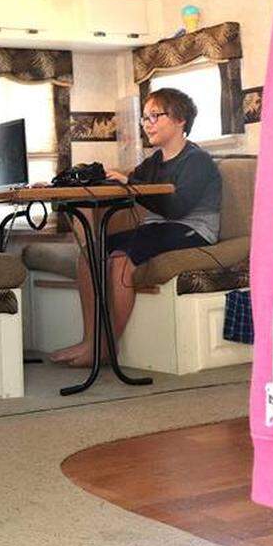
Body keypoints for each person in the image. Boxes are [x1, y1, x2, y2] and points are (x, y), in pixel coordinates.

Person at [50, 87, 221, 368]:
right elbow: (133, 185)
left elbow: (176, 208)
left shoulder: (197, 160)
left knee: (120, 260)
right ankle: (90, 339)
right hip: (158, 228)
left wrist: (132, 185)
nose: (147, 123)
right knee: (90, 254)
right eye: (145, 118)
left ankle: (106, 346)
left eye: (155, 115)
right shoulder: (154, 162)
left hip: (192, 228)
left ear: (180, 120)